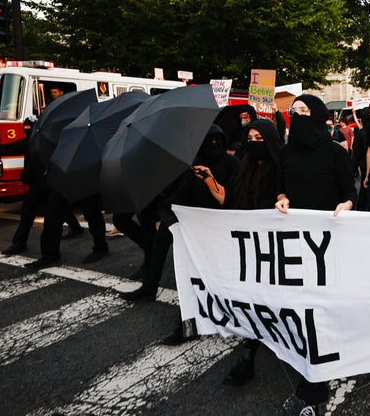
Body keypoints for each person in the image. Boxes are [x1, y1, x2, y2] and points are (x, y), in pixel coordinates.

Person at [274, 94, 356, 415]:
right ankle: (314, 372)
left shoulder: (336, 153)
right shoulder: (286, 152)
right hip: (296, 242)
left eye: (304, 111)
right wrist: (281, 198)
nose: (298, 115)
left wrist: (346, 205)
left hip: (328, 243)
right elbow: (279, 186)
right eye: (294, 111)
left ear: (319, 116)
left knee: (323, 305)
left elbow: (350, 192)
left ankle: (317, 382)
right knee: (305, 305)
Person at [120, 124, 240, 304]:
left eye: (218, 141)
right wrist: (165, 206)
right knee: (159, 245)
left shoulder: (232, 163)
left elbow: (232, 195)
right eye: (209, 141)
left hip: (213, 221)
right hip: (186, 214)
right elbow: (184, 192)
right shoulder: (196, 162)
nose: (213, 144)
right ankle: (148, 288)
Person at [219, 118, 283, 386]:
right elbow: (230, 200)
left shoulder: (281, 168)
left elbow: (285, 197)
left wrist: (280, 201)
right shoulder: (243, 168)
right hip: (250, 243)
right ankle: (250, 350)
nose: (254, 143)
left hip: (275, 244)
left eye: (260, 139)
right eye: (251, 139)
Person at [0, 116, 83, 255]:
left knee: (35, 213)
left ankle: (21, 243)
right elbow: (11, 148)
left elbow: (11, 148)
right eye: (25, 128)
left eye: (29, 128)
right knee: (39, 211)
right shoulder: (40, 140)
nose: (27, 131)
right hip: (42, 183)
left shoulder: (37, 142)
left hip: (45, 183)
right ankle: (75, 228)